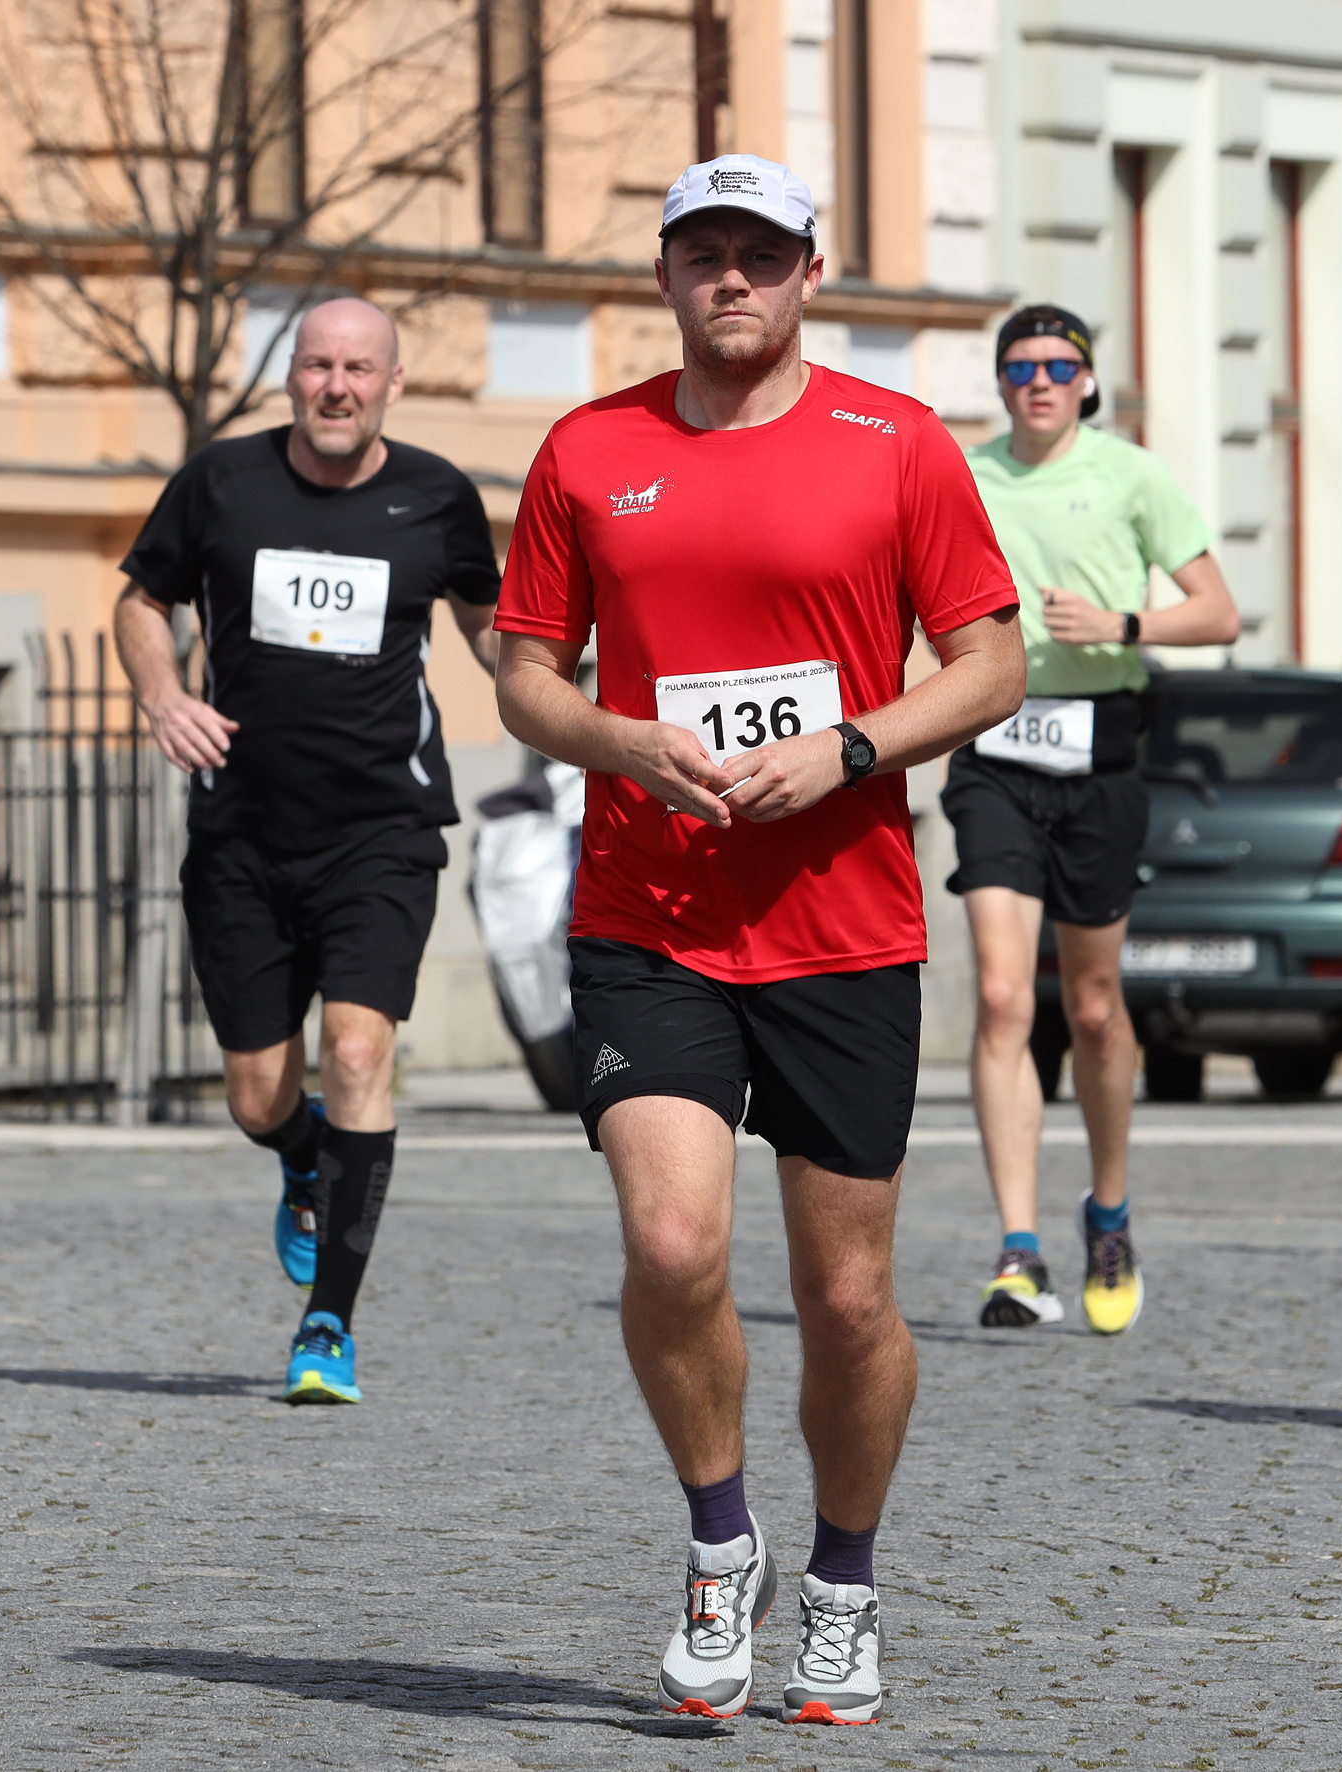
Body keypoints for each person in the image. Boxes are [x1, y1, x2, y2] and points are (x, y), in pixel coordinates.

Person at [490, 154, 1025, 1726]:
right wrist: (620, 744)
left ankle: (843, 1586)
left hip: (842, 924)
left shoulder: (896, 442)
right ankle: (723, 1544)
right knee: (671, 1246)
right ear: (663, 275)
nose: (733, 277)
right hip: (648, 915)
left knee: (846, 1297)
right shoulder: (589, 450)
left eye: (763, 253)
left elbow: (990, 663)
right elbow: (524, 675)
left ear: (809, 274)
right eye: (704, 252)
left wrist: (850, 749)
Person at [114, 297, 501, 1406]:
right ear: (291, 376)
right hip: (241, 833)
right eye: (319, 365)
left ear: (392, 383)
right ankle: (298, 1154)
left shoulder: (436, 496)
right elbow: (141, 602)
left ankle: (328, 1322)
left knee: (358, 1052)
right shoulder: (221, 482)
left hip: (383, 829)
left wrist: (578, 686)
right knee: (255, 1095)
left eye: (359, 368)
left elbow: (493, 629)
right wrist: (162, 695)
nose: (338, 386)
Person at [948, 304, 1242, 1333]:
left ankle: (1108, 1211)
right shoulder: (963, 475)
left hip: (1102, 752)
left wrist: (1121, 622)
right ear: (1000, 382)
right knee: (1000, 996)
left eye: (1057, 366)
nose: (1038, 381)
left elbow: (1218, 611)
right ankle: (1016, 1250)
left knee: (1091, 1004)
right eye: (1019, 366)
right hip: (993, 745)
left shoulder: (1130, 475)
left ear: (1085, 381)